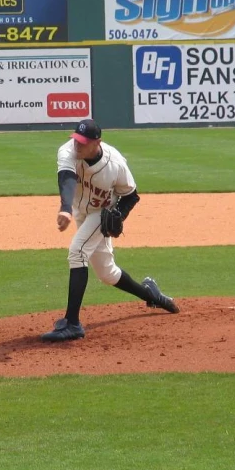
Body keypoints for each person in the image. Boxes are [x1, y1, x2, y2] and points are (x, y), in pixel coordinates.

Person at [41, 118, 180, 342]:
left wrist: (119, 217)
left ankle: (73, 323)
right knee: (107, 273)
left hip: (100, 213)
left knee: (77, 252)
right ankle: (150, 294)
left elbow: (131, 195)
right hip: (79, 210)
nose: (77, 145)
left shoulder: (114, 164)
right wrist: (65, 208)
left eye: (83, 142)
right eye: (76, 139)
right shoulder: (67, 151)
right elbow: (66, 178)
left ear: (97, 143)